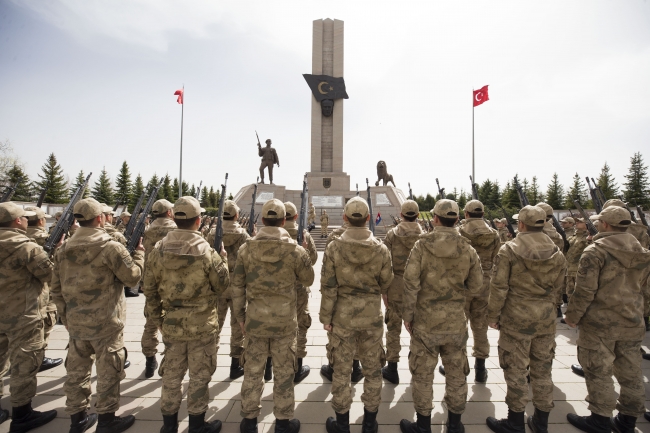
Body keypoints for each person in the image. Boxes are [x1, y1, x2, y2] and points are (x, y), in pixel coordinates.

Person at [51, 197, 144, 433]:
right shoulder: (110, 247)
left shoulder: (63, 250)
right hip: (106, 323)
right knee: (108, 373)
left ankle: (77, 419)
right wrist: (140, 256)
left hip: (77, 323)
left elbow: (55, 288)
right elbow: (132, 277)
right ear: (101, 218)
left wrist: (65, 317)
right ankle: (106, 420)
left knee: (76, 373)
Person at [143, 196, 230, 433]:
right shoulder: (206, 251)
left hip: (171, 324)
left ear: (174, 218)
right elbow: (222, 286)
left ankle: (168, 426)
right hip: (202, 325)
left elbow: (148, 288)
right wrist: (223, 259)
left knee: (171, 375)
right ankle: (197, 424)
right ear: (198, 221)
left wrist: (158, 319)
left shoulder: (158, 250)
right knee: (200, 375)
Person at [400, 199, 483, 433]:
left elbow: (410, 282)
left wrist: (408, 315)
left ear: (435, 218)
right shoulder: (467, 248)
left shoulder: (421, 246)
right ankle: (455, 425)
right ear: (457, 219)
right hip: (455, 321)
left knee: (423, 375)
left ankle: (424, 425)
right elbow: (477, 286)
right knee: (457, 374)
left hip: (425, 321)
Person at [564, 206, 649, 433]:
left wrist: (572, 317)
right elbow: (645, 289)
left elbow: (584, 291)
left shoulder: (596, 251)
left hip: (600, 322)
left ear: (606, 224)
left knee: (598, 370)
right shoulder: (641, 250)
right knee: (631, 373)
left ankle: (600, 419)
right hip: (632, 320)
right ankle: (627, 420)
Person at [233, 199, 314, 433]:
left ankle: (249, 422)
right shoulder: (295, 250)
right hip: (284, 322)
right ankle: (283, 423)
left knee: (253, 373)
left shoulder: (246, 249)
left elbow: (237, 286)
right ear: (283, 220)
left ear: (262, 220)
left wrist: (240, 317)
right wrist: (304, 250)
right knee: (284, 373)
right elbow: (308, 279)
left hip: (255, 321)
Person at [485, 205, 567, 433]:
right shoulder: (557, 252)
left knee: (516, 371)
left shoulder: (509, 250)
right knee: (542, 371)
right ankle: (541, 421)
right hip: (545, 320)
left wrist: (493, 315)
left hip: (516, 320)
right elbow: (559, 289)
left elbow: (499, 287)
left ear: (521, 224)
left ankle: (515, 421)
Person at [320, 197, 393, 433]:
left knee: (341, 372)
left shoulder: (334, 247)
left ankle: (342, 424)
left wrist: (326, 318)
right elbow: (386, 283)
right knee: (372, 371)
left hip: (342, 318)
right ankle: (369, 422)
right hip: (371, 318)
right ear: (368, 219)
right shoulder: (381, 249)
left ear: (344, 218)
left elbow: (328, 286)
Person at [0, 202, 58, 432]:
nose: (26, 220)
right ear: (17, 221)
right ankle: (22, 414)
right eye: (23, 218)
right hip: (22, 314)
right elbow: (48, 274)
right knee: (24, 365)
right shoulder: (26, 247)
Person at [439, 200, 501, 383]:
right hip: (485, 284)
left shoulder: (460, 232)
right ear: (482, 214)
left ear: (466, 214)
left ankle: (460, 365)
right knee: (480, 326)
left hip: (463, 283)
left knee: (459, 327)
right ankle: (480, 367)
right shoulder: (494, 234)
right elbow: (497, 258)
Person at [380, 199, 423, 385]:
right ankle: (419, 368)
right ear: (418, 215)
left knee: (393, 329)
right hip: (418, 289)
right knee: (418, 330)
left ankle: (392, 368)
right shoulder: (425, 237)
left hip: (395, 286)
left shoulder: (392, 235)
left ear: (401, 214)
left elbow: (385, 264)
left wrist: (384, 290)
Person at [205, 200, 249, 380]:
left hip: (218, 286)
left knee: (214, 326)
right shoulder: (244, 235)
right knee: (238, 327)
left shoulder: (212, 233)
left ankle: (208, 364)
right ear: (236, 215)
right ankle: (235, 365)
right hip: (238, 287)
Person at [320, 218, 364, 384]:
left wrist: (325, 313)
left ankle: (333, 366)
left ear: (345, 217)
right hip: (362, 297)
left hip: (339, 297)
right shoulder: (371, 238)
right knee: (358, 333)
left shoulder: (334, 237)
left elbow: (327, 273)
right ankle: (356, 367)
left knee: (336, 334)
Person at [140, 199, 177, 379]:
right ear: (169, 213)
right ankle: (169, 360)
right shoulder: (176, 231)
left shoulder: (147, 231)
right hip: (172, 282)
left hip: (151, 281)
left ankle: (149, 360)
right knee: (172, 323)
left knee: (151, 322)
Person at [24, 206, 63, 372]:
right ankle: (38, 358)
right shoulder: (44, 240)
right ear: (41, 221)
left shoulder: (19, 239)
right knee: (41, 327)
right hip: (37, 295)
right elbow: (50, 273)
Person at [283, 201, 318, 383]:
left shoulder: (274, 235)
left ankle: (271, 366)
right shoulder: (302, 234)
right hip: (299, 288)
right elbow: (312, 259)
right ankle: (297, 367)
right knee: (301, 324)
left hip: (276, 288)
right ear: (296, 216)